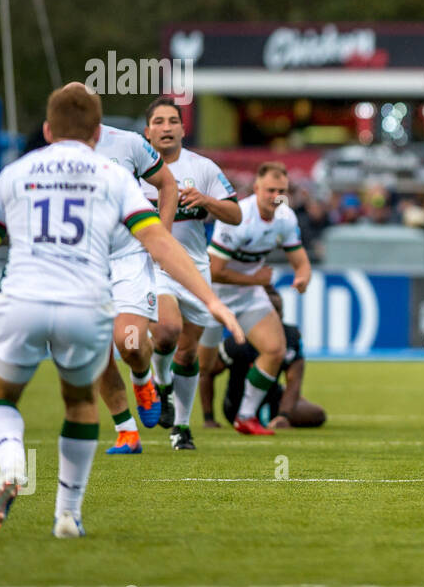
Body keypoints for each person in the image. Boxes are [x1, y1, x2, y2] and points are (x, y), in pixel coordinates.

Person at [0, 82, 241, 538]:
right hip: (84, 305)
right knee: (79, 404)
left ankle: (11, 466)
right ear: (96, 132)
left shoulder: (16, 172)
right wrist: (211, 301)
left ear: (48, 130)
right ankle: (67, 514)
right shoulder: (111, 176)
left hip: (22, 300)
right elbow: (160, 243)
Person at [142, 98, 243, 449]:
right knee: (167, 331)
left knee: (187, 354)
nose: (166, 127)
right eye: (158, 121)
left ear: (184, 129)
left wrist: (207, 201)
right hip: (153, 268)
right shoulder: (131, 170)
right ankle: (161, 385)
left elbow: (235, 215)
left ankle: (181, 428)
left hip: (195, 270)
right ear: (147, 131)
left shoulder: (202, 168)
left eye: (173, 121)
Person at [204, 162, 312, 438]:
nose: (276, 195)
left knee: (275, 349)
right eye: (270, 190)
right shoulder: (237, 217)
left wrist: (303, 277)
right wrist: (256, 280)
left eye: (282, 190)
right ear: (256, 189)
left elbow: (300, 260)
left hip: (247, 295)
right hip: (211, 296)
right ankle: (164, 393)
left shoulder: (286, 217)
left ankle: (245, 416)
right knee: (200, 365)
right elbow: (215, 272)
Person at [92, 122, 180, 454]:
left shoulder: (127, 143)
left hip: (128, 257)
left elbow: (167, 184)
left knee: (128, 342)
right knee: (94, 349)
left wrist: (162, 237)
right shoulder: (52, 156)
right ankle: (126, 431)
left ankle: (143, 378)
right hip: (83, 264)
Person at [200, 287, 325, 428]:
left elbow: (294, 380)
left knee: (317, 414)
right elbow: (207, 373)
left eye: (280, 310)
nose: (277, 316)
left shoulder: (291, 336)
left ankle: (279, 411)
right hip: (236, 405)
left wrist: (284, 416)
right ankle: (247, 415)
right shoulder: (238, 341)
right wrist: (208, 418)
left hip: (273, 400)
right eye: (273, 310)